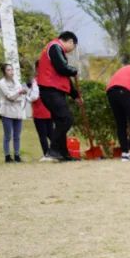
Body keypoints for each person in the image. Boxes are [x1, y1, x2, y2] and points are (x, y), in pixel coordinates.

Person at [36, 31, 79, 162]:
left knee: (61, 121)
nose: (72, 50)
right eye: (74, 46)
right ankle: (53, 151)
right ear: (70, 41)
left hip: (55, 91)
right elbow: (62, 68)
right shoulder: (54, 47)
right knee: (66, 119)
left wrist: (75, 95)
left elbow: (64, 77)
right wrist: (74, 70)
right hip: (50, 90)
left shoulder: (56, 49)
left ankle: (63, 153)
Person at [0, 62, 29, 163]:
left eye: (12, 70)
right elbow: (10, 97)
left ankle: (17, 156)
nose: (11, 72)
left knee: (17, 135)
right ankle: (7, 156)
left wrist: (20, 93)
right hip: (7, 111)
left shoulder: (16, 81)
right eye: (8, 70)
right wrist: (19, 93)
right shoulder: (1, 83)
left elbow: (20, 95)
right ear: (4, 72)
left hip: (17, 111)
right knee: (8, 135)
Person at [27, 63, 53, 157]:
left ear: (37, 68)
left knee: (42, 135)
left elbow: (35, 96)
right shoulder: (50, 79)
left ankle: (47, 154)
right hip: (49, 110)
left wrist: (28, 98)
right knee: (51, 134)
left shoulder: (36, 80)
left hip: (39, 112)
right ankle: (57, 151)